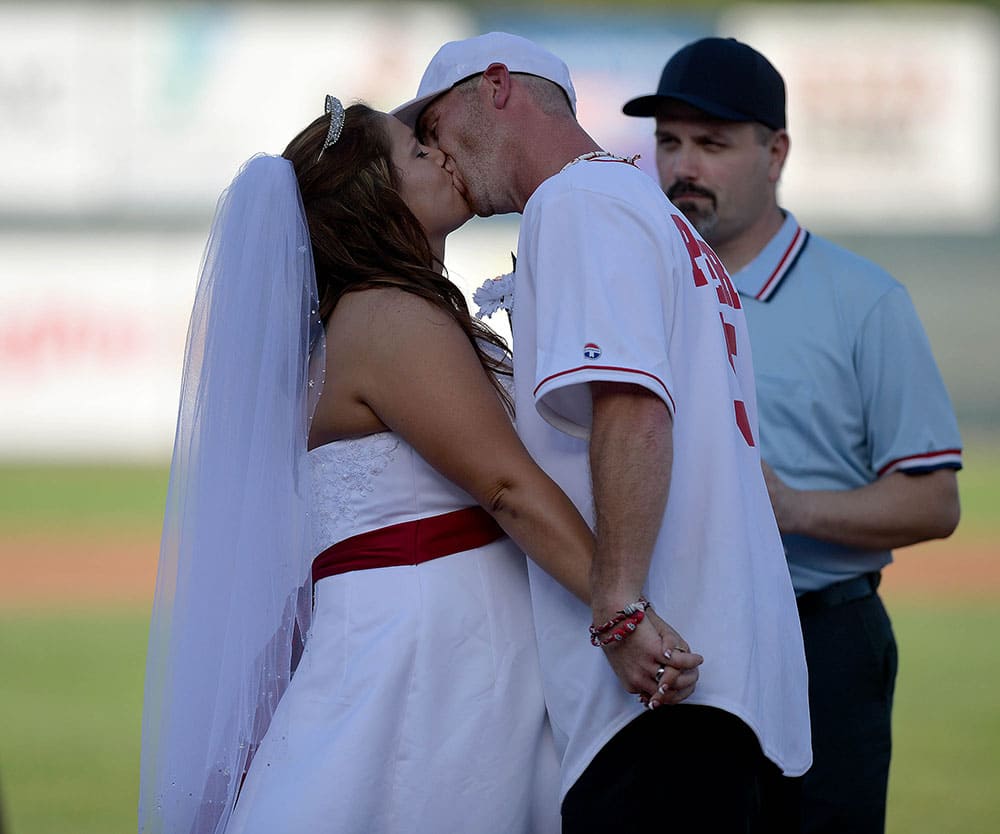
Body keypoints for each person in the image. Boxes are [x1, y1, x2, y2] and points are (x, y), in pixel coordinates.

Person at [137, 98, 696, 834]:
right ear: (374, 196)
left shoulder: (372, 315)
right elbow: (505, 485)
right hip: (424, 648)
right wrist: (624, 616)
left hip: (440, 634)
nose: (441, 155)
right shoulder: (388, 316)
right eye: (416, 151)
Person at [394, 31, 811, 832]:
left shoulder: (576, 201)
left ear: (495, 88)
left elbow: (633, 405)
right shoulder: (657, 216)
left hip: (663, 687)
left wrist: (619, 607)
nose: (432, 150)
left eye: (433, 124)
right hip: (738, 687)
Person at [623, 36, 963, 833]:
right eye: (669, 142)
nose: (683, 167)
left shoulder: (864, 300)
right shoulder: (637, 294)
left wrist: (792, 508)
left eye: (712, 143)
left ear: (775, 151)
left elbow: (936, 501)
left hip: (824, 639)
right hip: (673, 647)